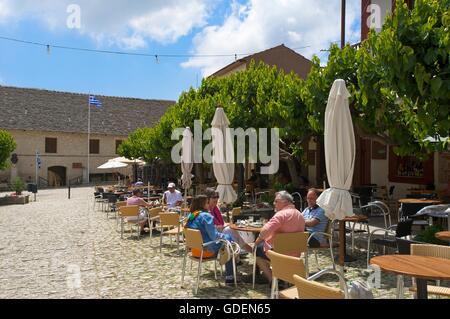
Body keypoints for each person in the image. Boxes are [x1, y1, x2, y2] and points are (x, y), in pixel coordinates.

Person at [253, 191, 305, 283]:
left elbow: (265, 231)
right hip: (295, 254)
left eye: (276, 201)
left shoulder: (281, 215)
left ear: (285, 202)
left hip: (279, 253)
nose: (274, 203)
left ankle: (272, 280)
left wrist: (257, 240)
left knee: (257, 250)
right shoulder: (300, 215)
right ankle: (280, 275)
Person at [184, 195, 238, 285]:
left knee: (227, 242)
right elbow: (214, 236)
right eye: (207, 202)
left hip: (195, 250)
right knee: (229, 243)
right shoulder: (206, 216)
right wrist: (227, 237)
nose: (209, 205)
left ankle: (231, 271)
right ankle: (230, 277)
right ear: (203, 204)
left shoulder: (191, 216)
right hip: (206, 250)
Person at [204, 188, 253, 253]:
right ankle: (244, 250)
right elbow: (212, 229)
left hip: (219, 234)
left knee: (230, 231)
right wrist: (224, 226)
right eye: (214, 197)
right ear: (207, 198)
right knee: (229, 230)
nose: (216, 199)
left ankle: (237, 253)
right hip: (212, 240)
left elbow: (221, 223)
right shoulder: (206, 212)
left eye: (217, 197)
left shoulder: (216, 209)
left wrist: (225, 225)